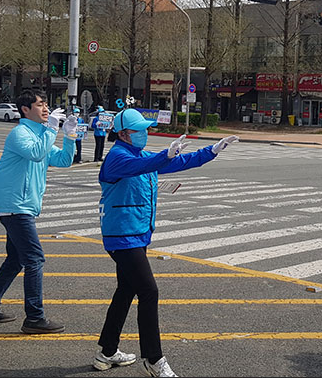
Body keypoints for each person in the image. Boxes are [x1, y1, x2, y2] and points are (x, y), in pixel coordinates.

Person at [92, 108, 238, 377]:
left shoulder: (141, 155)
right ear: (124, 134)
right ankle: (154, 358)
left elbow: (178, 163)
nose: (145, 133)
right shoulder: (117, 158)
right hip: (122, 236)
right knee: (149, 291)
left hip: (137, 234)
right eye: (140, 130)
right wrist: (165, 155)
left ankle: (107, 351)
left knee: (125, 291)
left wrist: (212, 150)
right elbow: (143, 166)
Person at [0, 89, 78, 333]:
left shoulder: (40, 134)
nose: (46, 109)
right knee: (34, 258)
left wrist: (70, 135)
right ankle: (34, 317)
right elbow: (36, 153)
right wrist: (52, 129)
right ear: (25, 109)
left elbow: (63, 160)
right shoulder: (20, 133)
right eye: (40, 105)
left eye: (46, 105)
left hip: (24, 206)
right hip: (15, 206)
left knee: (16, 259)